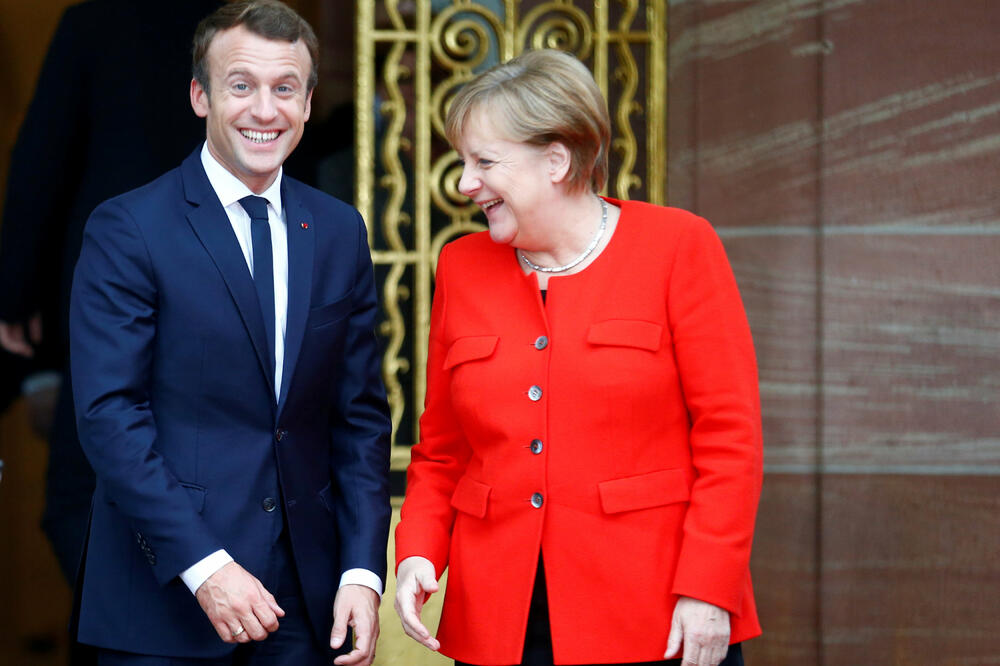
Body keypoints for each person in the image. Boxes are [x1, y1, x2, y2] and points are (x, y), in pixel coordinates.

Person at [393, 49, 763, 666]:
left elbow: (731, 439)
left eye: (485, 161)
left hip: (656, 614)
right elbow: (442, 451)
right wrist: (418, 555)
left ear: (557, 160)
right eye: (464, 161)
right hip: (501, 623)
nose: (464, 183)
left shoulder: (678, 246)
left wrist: (708, 585)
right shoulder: (461, 266)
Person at [68, 2, 391, 665]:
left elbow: (358, 417)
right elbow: (109, 416)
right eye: (241, 85)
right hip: (165, 603)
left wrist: (361, 571)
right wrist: (204, 565)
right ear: (200, 95)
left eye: (285, 89)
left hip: (304, 604)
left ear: (306, 103)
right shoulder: (128, 227)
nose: (263, 111)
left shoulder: (338, 231)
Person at [0, 0, 223, 590]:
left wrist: (16, 296)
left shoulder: (96, 21)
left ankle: (146, 629)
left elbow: (42, 159)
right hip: (226, 279)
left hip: (112, 284)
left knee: (80, 493)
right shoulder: (242, 21)